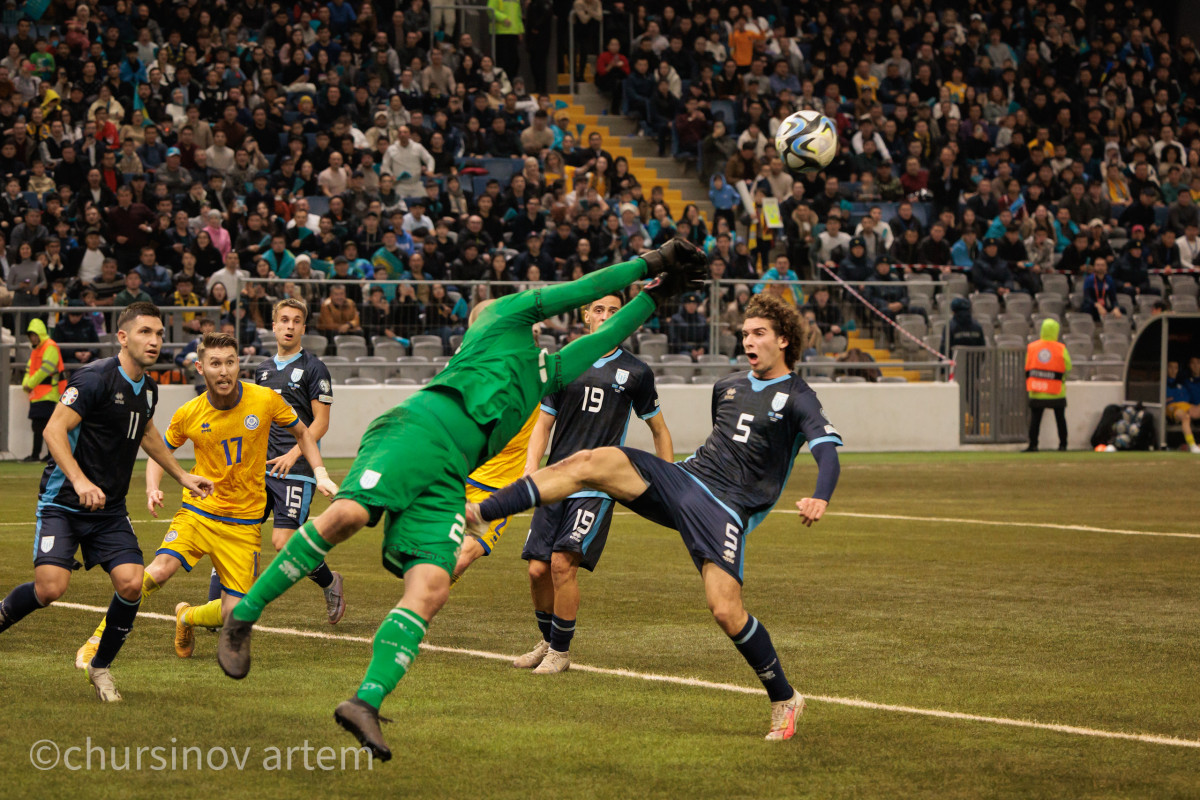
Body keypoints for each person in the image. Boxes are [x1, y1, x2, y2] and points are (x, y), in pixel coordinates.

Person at [216, 240, 709, 760]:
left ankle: (366, 700)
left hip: (452, 472)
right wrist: (649, 265)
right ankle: (243, 615)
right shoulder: (500, 317)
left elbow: (609, 333)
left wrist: (659, 295)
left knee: (432, 585)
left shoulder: (548, 371)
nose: (534, 316)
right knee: (350, 515)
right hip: (417, 429)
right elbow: (585, 292)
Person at [467, 293, 842, 740]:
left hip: (725, 508)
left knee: (725, 610)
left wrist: (821, 494)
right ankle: (482, 512)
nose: (748, 340)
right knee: (590, 462)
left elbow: (826, 451)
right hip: (685, 480)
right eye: (744, 333)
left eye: (758, 333)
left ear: (783, 340)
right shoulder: (726, 386)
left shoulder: (799, 396)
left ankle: (784, 697)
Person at [75, 331, 337, 670]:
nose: (224, 371)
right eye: (215, 364)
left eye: (230, 362)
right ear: (201, 367)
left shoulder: (265, 399)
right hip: (200, 511)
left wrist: (320, 472)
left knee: (236, 614)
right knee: (159, 571)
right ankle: (96, 641)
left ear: (238, 364)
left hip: (243, 524)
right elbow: (158, 451)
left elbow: (303, 430)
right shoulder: (189, 413)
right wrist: (153, 487)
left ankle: (187, 617)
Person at [0, 303, 214, 701]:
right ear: (123, 337)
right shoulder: (95, 377)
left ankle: (100, 667)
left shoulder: (148, 388)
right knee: (50, 589)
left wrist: (183, 475)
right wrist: (80, 481)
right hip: (64, 502)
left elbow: (147, 432)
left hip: (110, 509)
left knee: (132, 584)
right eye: (145, 332)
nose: (153, 341)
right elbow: (53, 430)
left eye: (158, 334)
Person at [511, 292, 674, 674]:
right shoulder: (564, 363)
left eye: (614, 311)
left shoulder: (636, 372)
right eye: (598, 310)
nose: (605, 316)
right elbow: (544, 422)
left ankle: (561, 653)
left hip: (597, 485)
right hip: (555, 481)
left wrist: (670, 482)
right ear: (586, 316)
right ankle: (548, 639)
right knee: (537, 569)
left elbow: (660, 430)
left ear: (625, 319)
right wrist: (532, 464)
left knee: (562, 563)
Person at [207, 299, 344, 622]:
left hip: (297, 469)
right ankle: (217, 611)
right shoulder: (263, 370)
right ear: (274, 325)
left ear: (303, 328)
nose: (290, 326)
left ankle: (330, 581)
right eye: (284, 320)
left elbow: (320, 423)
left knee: (283, 542)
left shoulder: (314, 368)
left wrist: (294, 453)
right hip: (259, 469)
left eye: (296, 321)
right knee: (234, 531)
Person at [1023, 318, 1072, 452]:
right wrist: (1061, 379)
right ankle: (1063, 445)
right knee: (1060, 419)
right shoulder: (1061, 348)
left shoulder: (1032, 347)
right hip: (1056, 390)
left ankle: (1033, 445)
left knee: (1035, 420)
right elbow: (1068, 367)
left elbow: (1027, 366)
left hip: (1037, 390)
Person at [21, 318, 65, 462]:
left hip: (48, 393)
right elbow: (29, 369)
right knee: (40, 426)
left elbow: (45, 370)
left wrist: (30, 383)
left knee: (44, 426)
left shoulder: (49, 346)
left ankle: (45, 455)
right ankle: (42, 455)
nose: (33, 338)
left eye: (34, 335)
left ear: (40, 333)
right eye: (31, 335)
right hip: (38, 394)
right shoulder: (36, 349)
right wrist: (26, 383)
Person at [1166, 359, 1200, 453]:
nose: (1173, 370)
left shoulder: (1182, 384)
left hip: (1187, 406)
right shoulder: (1163, 384)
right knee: (1185, 417)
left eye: (1175, 368)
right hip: (1173, 407)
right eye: (1170, 367)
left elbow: (1189, 401)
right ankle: (1192, 445)